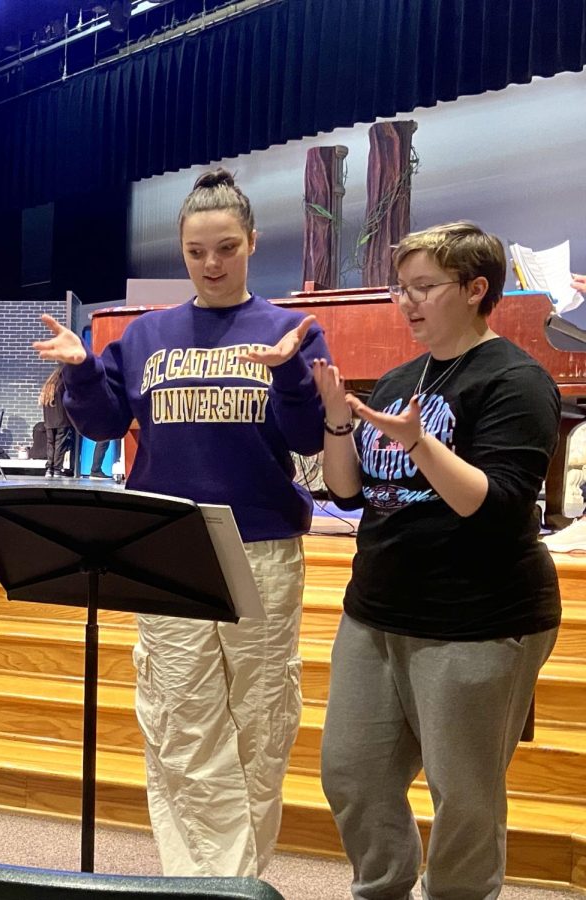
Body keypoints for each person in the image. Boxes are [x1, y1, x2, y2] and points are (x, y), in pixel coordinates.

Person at [33, 168, 328, 877]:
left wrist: (289, 374)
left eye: (227, 248)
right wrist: (79, 370)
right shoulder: (146, 334)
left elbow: (311, 437)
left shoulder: (290, 330)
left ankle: (230, 882)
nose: (213, 264)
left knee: (258, 726)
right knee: (182, 727)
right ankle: (211, 888)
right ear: (182, 251)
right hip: (164, 545)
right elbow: (105, 419)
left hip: (261, 548)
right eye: (198, 253)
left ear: (252, 242)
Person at [315, 222, 560, 900]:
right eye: (402, 289)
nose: (408, 303)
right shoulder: (400, 380)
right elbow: (348, 491)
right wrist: (339, 421)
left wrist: (422, 445)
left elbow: (498, 505)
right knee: (351, 772)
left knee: (466, 797)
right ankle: (383, 887)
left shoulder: (516, 380)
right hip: (376, 613)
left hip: (478, 617)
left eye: (424, 287)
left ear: (476, 289)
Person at [39, 369, 73, 477]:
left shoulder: (48, 386)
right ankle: (57, 469)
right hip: (61, 419)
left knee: (51, 444)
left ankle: (49, 468)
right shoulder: (63, 384)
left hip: (49, 420)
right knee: (60, 444)